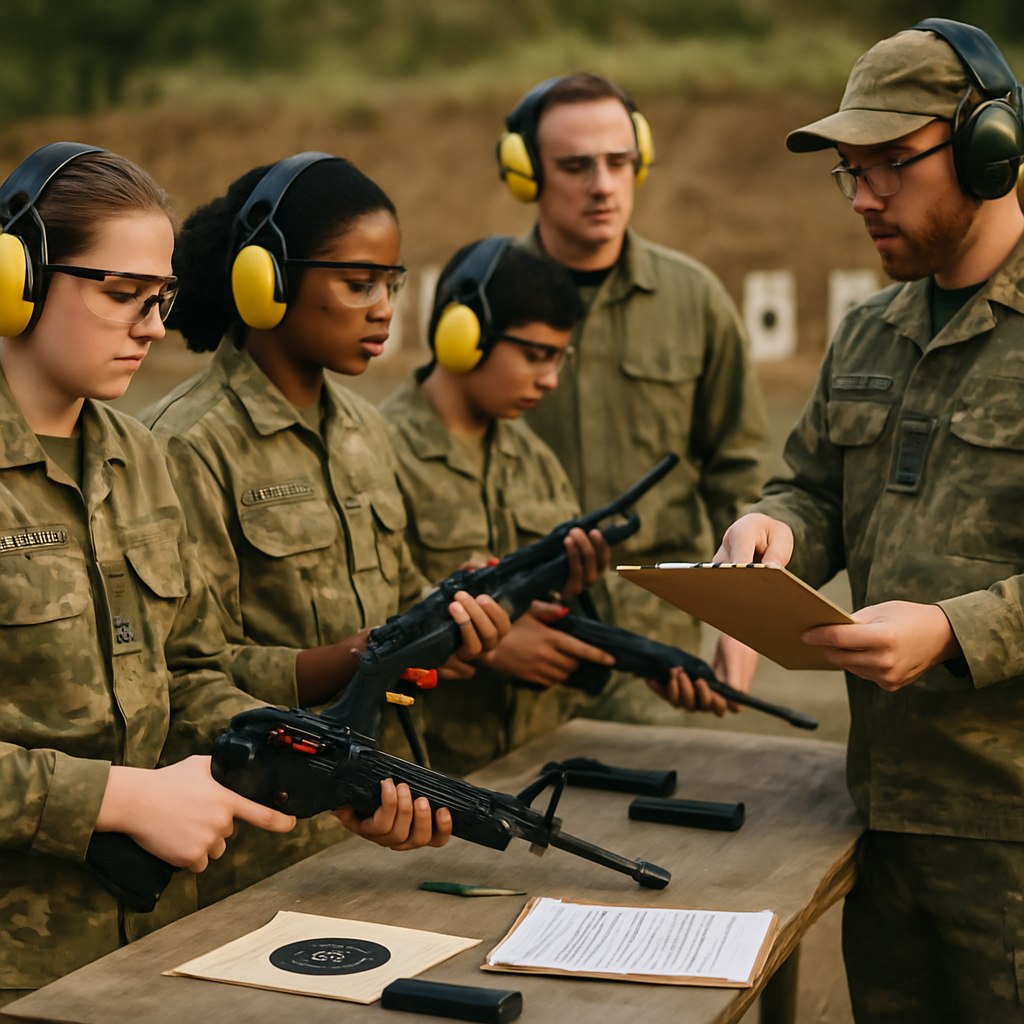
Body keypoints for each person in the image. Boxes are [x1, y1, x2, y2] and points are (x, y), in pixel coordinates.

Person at [713, 19, 1024, 1021]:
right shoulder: (868, 331)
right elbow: (809, 481)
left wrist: (950, 630)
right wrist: (775, 530)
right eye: (849, 170)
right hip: (881, 822)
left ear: (990, 149)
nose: (863, 197)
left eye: (891, 163)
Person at [141, 154, 515, 905]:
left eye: (392, 284)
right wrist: (354, 657)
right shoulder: (186, 445)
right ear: (268, 280)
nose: (384, 308)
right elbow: (184, 671)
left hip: (374, 833)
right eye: (359, 283)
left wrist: (446, 620)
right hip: (247, 854)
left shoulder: (366, 433)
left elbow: (393, 590)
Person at [0, 142, 303, 1004]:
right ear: (16, 277)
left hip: (158, 949)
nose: (153, 327)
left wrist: (307, 757)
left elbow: (191, 672)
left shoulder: (139, 456)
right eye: (121, 295)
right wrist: (112, 799)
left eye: (161, 298)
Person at [496, 72, 769, 719]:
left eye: (620, 162)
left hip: (657, 658)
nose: (603, 185)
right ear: (527, 174)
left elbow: (741, 472)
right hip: (519, 642)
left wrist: (747, 612)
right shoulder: (485, 295)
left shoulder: (695, 299)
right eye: (576, 165)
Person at [380, 237, 622, 775]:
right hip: (423, 776)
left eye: (561, 357)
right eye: (535, 355)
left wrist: (573, 589)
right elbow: (363, 617)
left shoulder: (535, 459)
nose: (551, 379)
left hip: (536, 766)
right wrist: (483, 642)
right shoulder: (373, 453)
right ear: (462, 337)